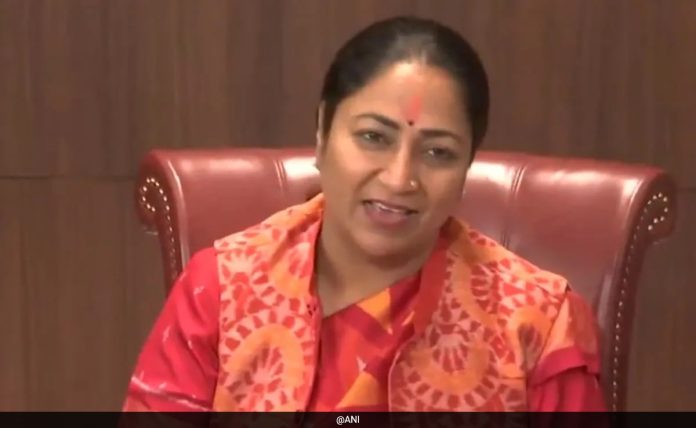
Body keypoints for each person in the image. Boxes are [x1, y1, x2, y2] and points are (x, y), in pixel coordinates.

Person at [122, 16, 606, 413]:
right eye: (374, 137)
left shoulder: (538, 323)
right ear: (322, 134)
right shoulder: (222, 291)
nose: (399, 178)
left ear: (467, 167)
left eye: (437, 152)